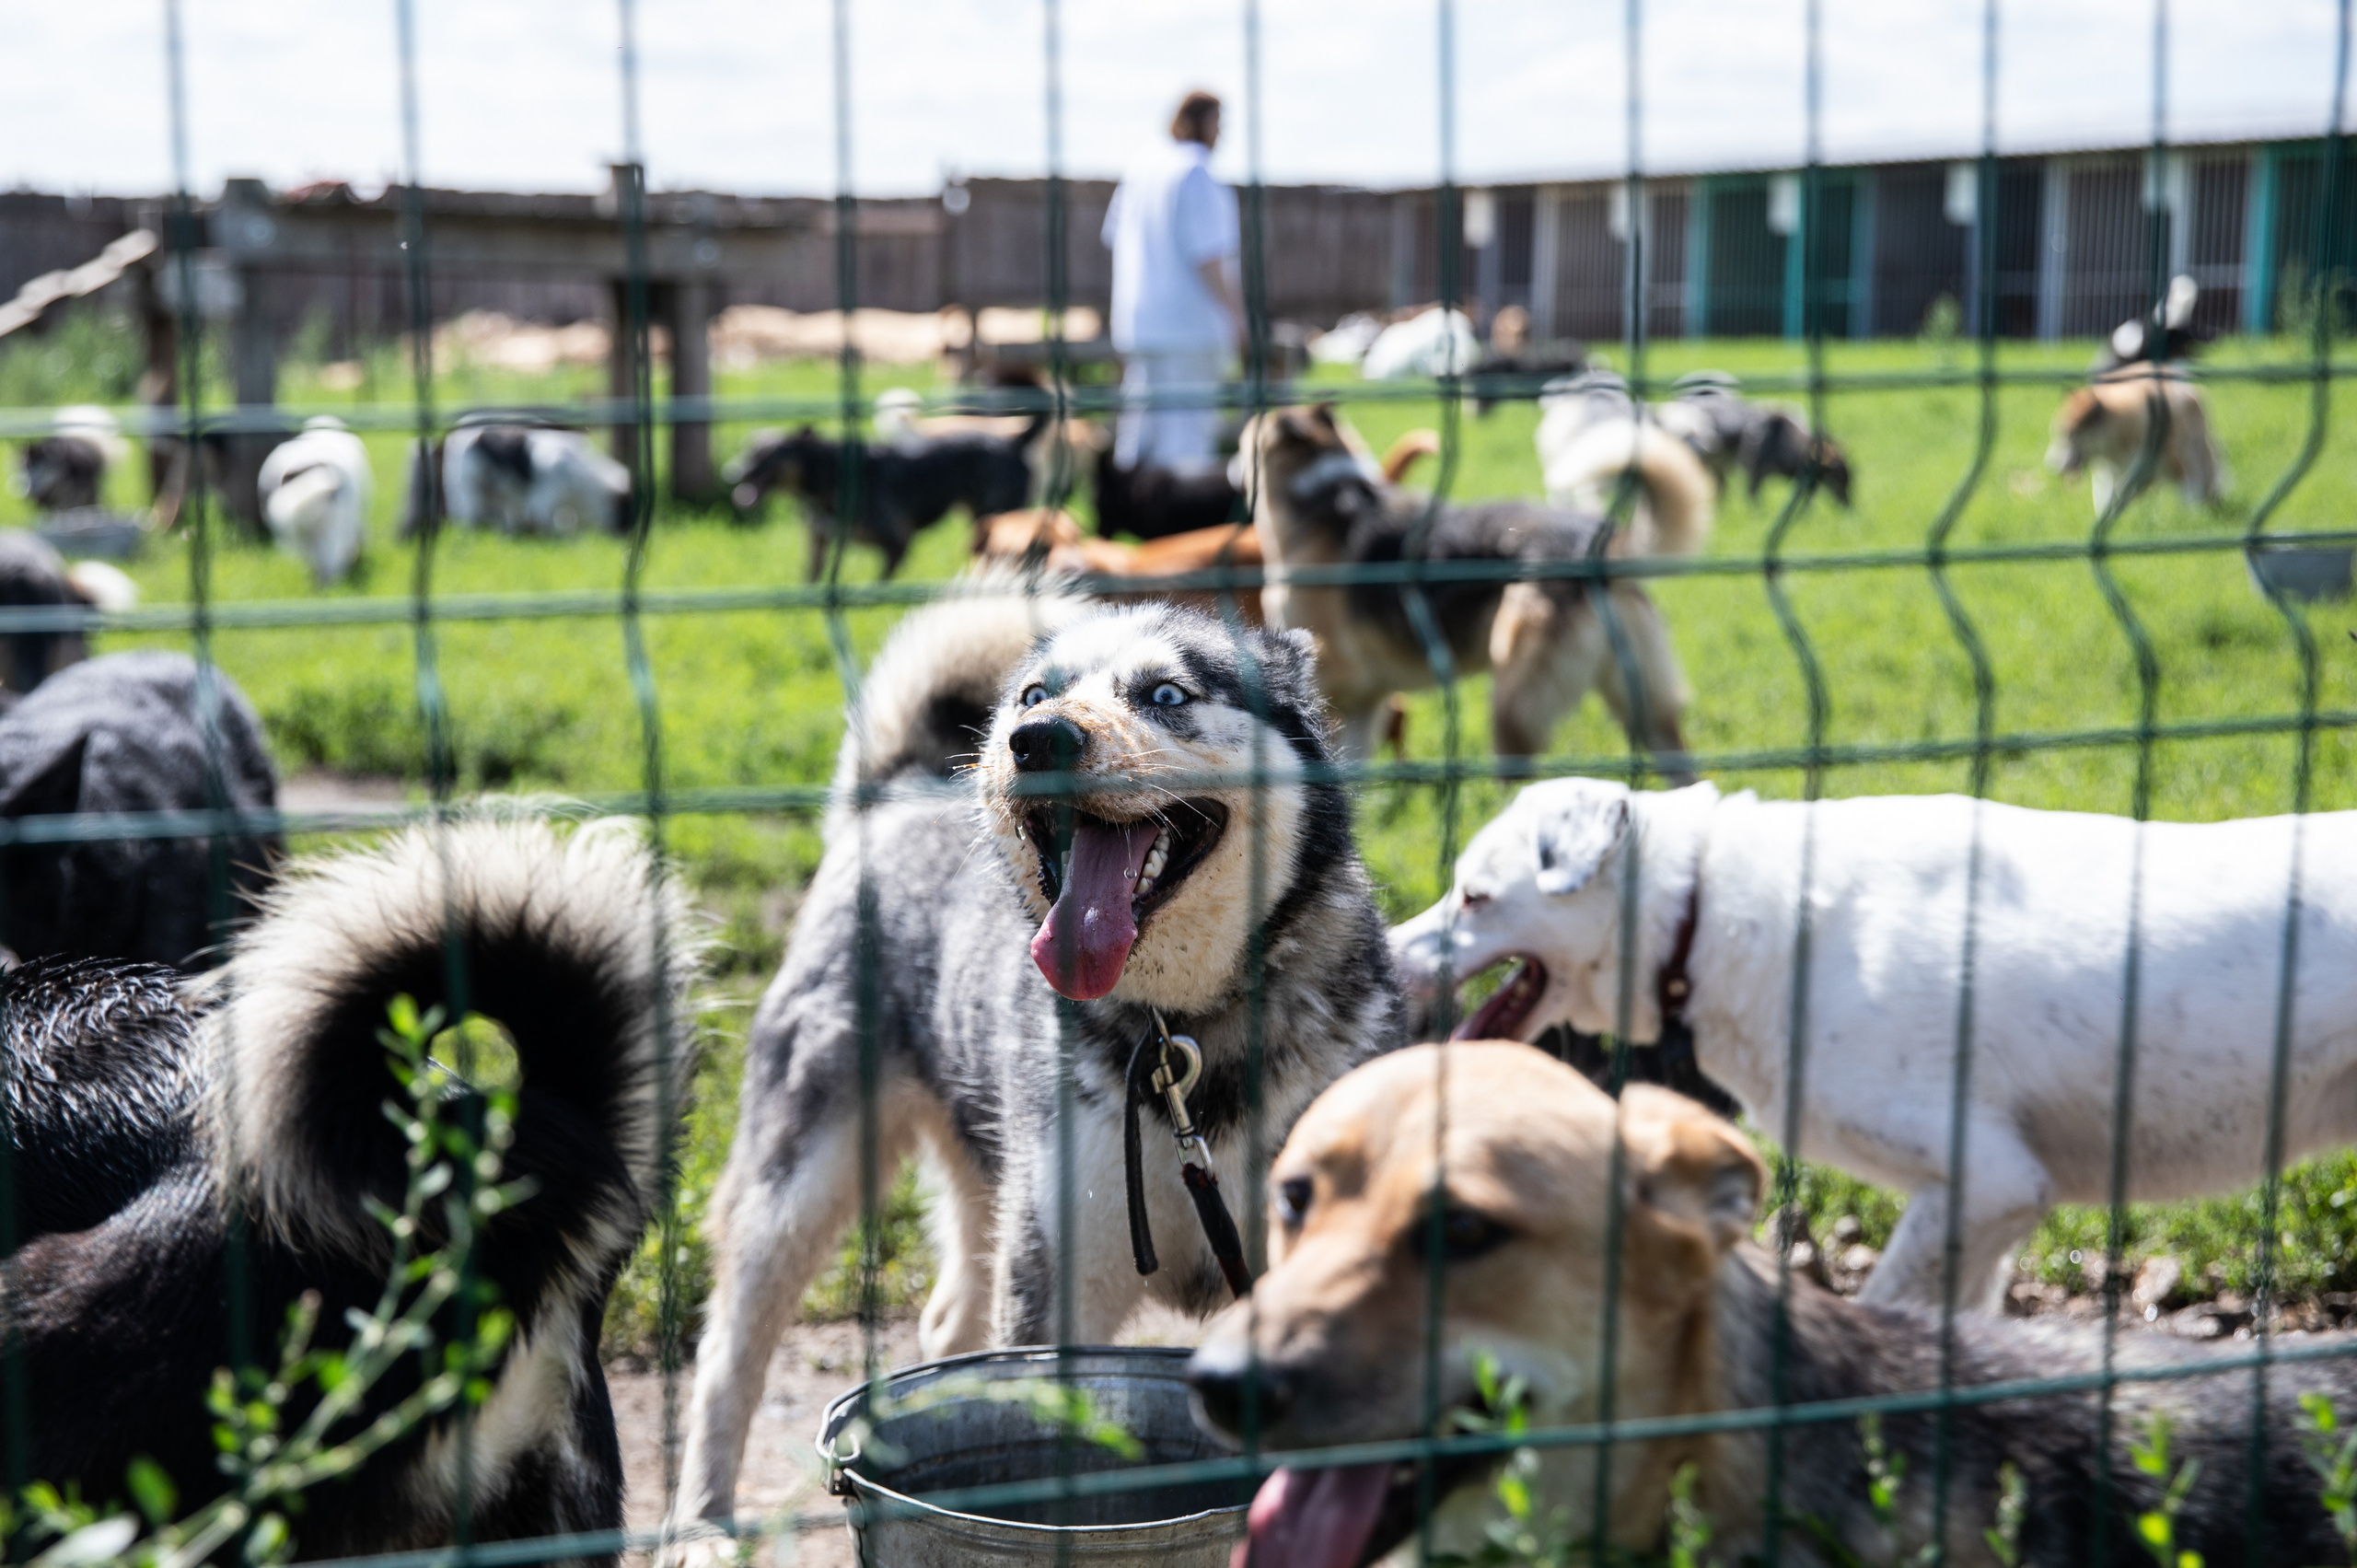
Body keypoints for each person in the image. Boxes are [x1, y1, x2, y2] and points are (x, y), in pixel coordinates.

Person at [1101, 89, 1242, 472]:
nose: (1220, 134)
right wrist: (1237, 317)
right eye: (1217, 123)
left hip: (1140, 323)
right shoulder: (1195, 170)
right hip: (1189, 326)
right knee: (1186, 441)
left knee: (1140, 431)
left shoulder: (1140, 167)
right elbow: (1210, 256)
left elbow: (1113, 237)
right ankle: (1179, 523)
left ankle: (1130, 514)